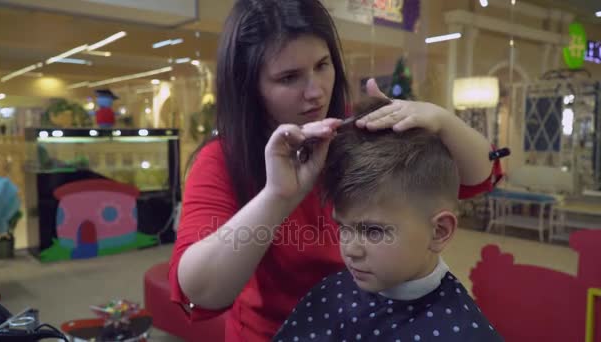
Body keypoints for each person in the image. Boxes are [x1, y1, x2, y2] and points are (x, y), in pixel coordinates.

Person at [168, 0, 502, 341]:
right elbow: (200, 292)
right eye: (288, 77)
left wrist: (441, 120)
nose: (316, 93)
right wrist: (278, 196)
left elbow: (480, 174)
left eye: (322, 65)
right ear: (250, 87)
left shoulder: (352, 130)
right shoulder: (223, 161)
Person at [273, 98, 503, 341]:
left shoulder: (464, 332)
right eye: (342, 227)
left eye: (373, 231)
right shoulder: (330, 295)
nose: (350, 250)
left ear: (439, 231)